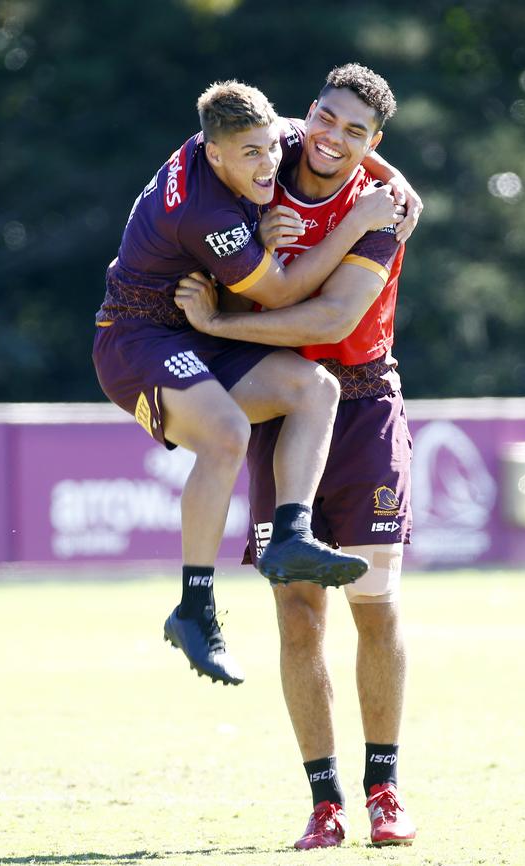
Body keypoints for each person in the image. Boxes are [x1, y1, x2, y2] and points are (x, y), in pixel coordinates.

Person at [92, 80, 412, 688]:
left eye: (271, 149)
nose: (270, 166)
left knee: (316, 388)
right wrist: (363, 219)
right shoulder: (208, 213)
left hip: (203, 332)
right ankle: (194, 608)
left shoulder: (257, 136)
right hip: (139, 337)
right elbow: (285, 293)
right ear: (215, 156)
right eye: (252, 157)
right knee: (226, 434)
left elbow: (326, 132)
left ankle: (291, 534)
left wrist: (398, 181)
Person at [175, 64, 418, 847]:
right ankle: (325, 803)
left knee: (375, 602)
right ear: (304, 114)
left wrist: (218, 326)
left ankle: (384, 791)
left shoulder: (382, 209)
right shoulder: (264, 161)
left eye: (356, 133)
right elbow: (210, 153)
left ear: (373, 145)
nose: (332, 139)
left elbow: (333, 310)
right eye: (325, 118)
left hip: (363, 397)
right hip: (285, 403)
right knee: (298, 613)